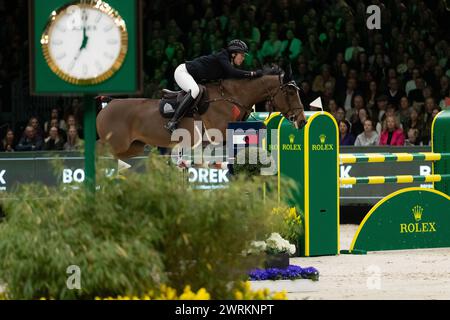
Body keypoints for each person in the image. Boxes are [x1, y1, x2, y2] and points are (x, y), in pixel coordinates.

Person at [164, 39, 264, 133]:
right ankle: (173, 122)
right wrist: (253, 74)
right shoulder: (223, 56)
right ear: (233, 54)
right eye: (242, 55)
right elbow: (233, 72)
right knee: (195, 90)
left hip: (193, 77)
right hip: (183, 72)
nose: (243, 58)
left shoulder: (228, 63)